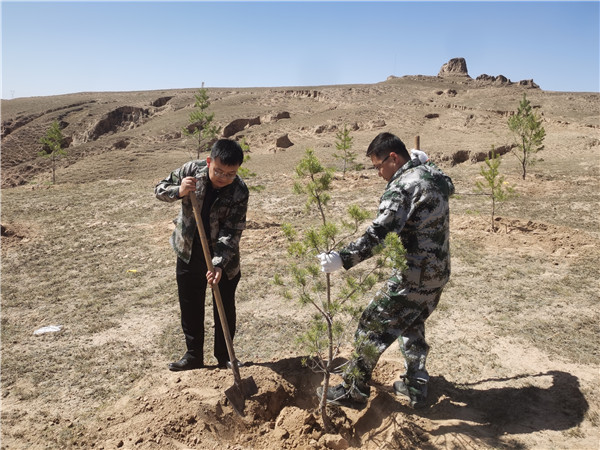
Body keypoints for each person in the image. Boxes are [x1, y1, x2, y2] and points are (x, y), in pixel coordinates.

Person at [317, 132, 454, 409]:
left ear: (394, 157)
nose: (378, 172)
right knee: (411, 324)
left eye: (379, 165)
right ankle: (416, 385)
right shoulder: (431, 173)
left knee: (370, 324)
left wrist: (342, 259)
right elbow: (449, 185)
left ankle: (353, 392)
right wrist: (425, 162)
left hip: (412, 277)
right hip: (438, 273)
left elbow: (379, 234)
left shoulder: (401, 187)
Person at [155, 139, 249, 371]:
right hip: (189, 250)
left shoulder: (239, 190)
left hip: (223, 258)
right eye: (218, 171)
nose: (223, 177)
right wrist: (179, 191)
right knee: (190, 304)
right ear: (209, 161)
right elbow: (159, 189)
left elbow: (232, 231)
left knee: (224, 307)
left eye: (230, 173)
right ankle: (193, 355)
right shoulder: (191, 171)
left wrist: (218, 264)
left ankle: (225, 356)